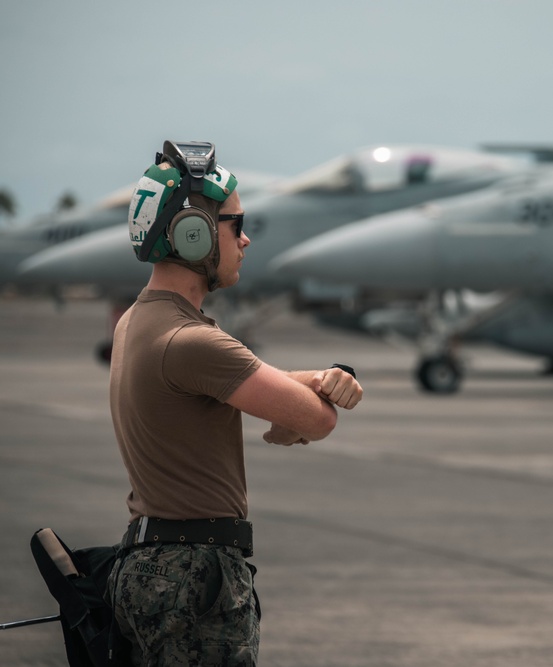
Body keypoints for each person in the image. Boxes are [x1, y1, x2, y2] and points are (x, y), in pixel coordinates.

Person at [105, 141, 362, 666]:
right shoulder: (192, 341)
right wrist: (325, 394)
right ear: (192, 233)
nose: (245, 239)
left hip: (150, 565)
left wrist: (313, 378)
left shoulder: (140, 321)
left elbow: (237, 381)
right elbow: (316, 418)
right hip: (193, 577)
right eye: (234, 223)